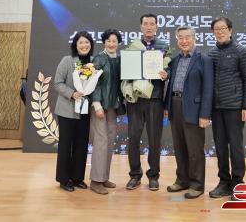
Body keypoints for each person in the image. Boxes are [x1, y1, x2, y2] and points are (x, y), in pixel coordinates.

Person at [208, 17, 246, 199]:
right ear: (213, 32)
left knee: (235, 146)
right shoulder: (211, 54)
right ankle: (224, 182)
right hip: (216, 108)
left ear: (230, 30)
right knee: (220, 146)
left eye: (223, 28)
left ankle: (237, 183)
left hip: (235, 107)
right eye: (216, 29)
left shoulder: (241, 51)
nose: (220, 32)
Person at [164, 26, 213, 199]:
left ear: (194, 38)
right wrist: (167, 107)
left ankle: (197, 185)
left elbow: (208, 89)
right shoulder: (175, 60)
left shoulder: (204, 59)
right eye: (181, 38)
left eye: (187, 37)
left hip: (194, 109)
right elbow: (170, 84)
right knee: (179, 147)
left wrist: (205, 114)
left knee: (194, 149)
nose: (184, 41)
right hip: (175, 105)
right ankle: (182, 180)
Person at [126, 14, 169, 191]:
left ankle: (153, 176)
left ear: (157, 27)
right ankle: (135, 175)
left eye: (152, 24)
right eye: (146, 24)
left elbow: (169, 69)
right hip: (136, 99)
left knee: (154, 140)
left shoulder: (164, 46)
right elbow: (127, 71)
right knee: (133, 138)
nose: (149, 27)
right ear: (141, 27)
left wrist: (166, 74)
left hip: (155, 99)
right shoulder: (133, 47)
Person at [53, 31, 95, 192]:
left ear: (91, 45)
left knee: (81, 145)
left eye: (87, 42)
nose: (84, 45)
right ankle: (64, 179)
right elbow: (57, 83)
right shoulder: (67, 60)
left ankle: (77, 178)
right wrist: (72, 94)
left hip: (84, 111)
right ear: (75, 45)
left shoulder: (93, 62)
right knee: (66, 145)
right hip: (67, 110)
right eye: (81, 43)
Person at [89, 29, 123, 195]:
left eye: (114, 41)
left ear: (118, 43)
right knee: (101, 142)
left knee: (109, 142)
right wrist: (97, 105)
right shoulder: (98, 58)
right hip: (100, 107)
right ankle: (95, 181)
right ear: (104, 42)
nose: (111, 44)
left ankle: (104, 177)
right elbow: (93, 83)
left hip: (113, 107)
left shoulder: (120, 59)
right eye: (108, 41)